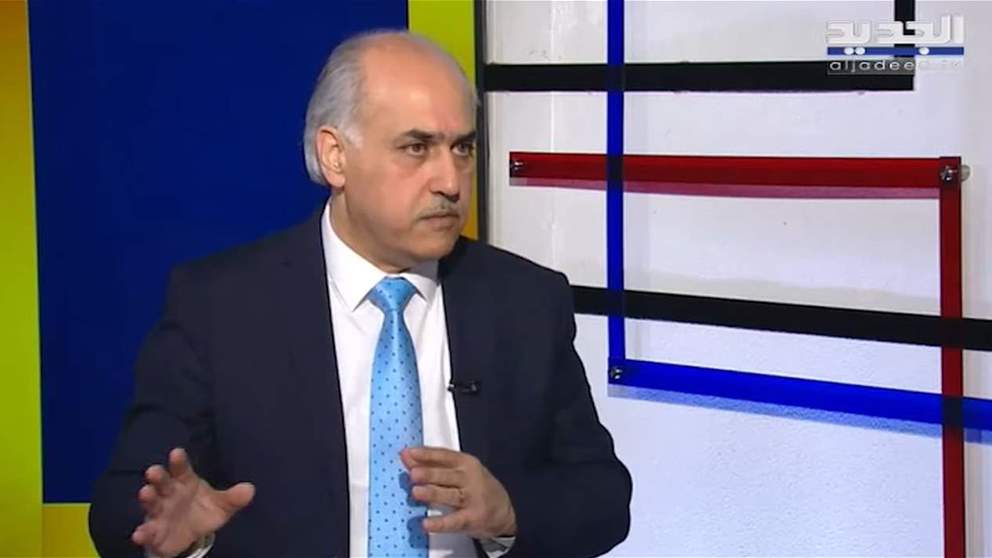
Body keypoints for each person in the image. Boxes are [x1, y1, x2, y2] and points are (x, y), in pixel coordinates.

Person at [88, 30, 631, 558]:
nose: (450, 181)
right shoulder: (219, 308)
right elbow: (123, 507)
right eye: (416, 147)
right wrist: (178, 539)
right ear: (335, 156)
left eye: (462, 148)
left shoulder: (527, 302)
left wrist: (510, 512)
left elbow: (604, 497)